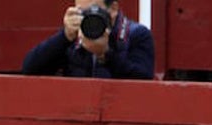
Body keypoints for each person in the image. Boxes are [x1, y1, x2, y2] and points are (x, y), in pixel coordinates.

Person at [21, 0, 155, 80]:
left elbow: (143, 81)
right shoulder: (72, 37)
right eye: (82, 12)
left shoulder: (136, 35)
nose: (88, 18)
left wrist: (106, 55)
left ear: (113, 9)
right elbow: (30, 69)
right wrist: (64, 36)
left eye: (93, 11)